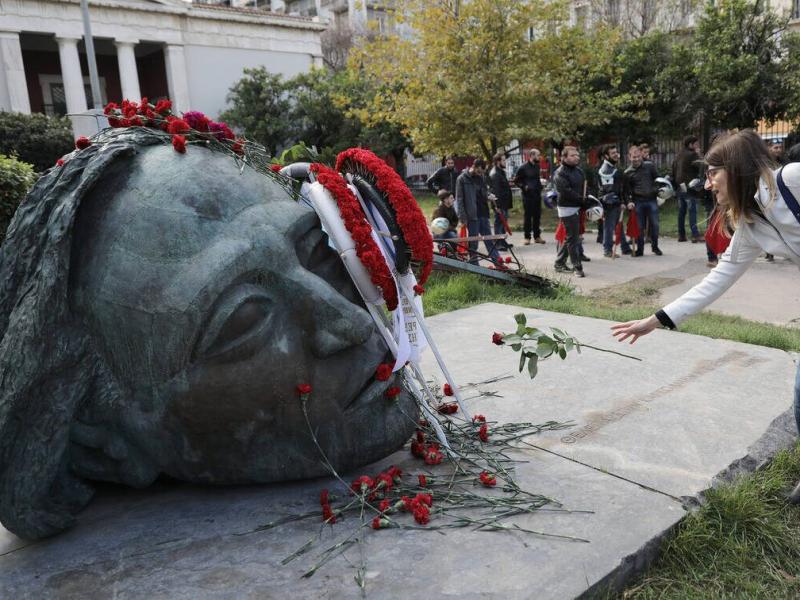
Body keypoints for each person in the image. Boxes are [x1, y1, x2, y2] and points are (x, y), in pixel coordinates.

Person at [610, 130, 800, 500]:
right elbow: (720, 277)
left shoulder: (791, 181)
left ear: (737, 168)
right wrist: (658, 319)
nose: (708, 181)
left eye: (714, 171)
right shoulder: (751, 223)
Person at [455, 158, 502, 266]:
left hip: (483, 213)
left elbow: (484, 192)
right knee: (473, 244)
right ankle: (474, 267)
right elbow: (460, 200)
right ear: (474, 167)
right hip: (472, 216)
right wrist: (462, 218)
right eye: (479, 171)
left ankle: (499, 264)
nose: (481, 174)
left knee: (489, 241)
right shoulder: (462, 179)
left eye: (482, 172)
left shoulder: (481, 177)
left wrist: (489, 196)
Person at [553, 146, 586, 277]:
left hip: (578, 206)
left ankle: (559, 263)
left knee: (570, 238)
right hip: (567, 208)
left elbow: (584, 187)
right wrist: (581, 200)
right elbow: (566, 191)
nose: (576, 157)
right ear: (564, 157)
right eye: (572, 155)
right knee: (573, 239)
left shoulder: (579, 171)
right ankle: (577, 268)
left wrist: (587, 199)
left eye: (577, 155)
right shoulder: (560, 173)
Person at [623, 145, 662, 256]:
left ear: (641, 156)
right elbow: (626, 191)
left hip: (651, 200)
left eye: (638, 156)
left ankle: (655, 247)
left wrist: (656, 192)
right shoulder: (627, 172)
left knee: (655, 224)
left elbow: (658, 180)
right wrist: (628, 202)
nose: (636, 159)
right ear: (629, 157)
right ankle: (640, 249)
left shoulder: (650, 166)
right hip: (638, 201)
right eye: (634, 157)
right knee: (639, 227)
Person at [596, 144, 633, 258]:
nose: (616, 155)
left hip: (614, 202)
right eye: (613, 153)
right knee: (609, 227)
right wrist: (620, 201)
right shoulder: (606, 170)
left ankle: (625, 247)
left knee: (619, 224)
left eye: (616, 152)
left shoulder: (612, 168)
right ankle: (607, 250)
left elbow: (617, 187)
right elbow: (609, 190)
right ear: (606, 156)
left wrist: (621, 201)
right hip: (610, 203)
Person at [673, 135, 704, 243]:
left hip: (680, 187)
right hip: (690, 187)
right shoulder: (693, 155)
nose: (698, 145)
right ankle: (695, 235)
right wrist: (699, 154)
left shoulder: (678, 155)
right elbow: (702, 166)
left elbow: (673, 170)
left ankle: (681, 235)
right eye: (696, 144)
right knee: (692, 211)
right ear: (690, 144)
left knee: (681, 212)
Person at [513, 148, 545, 245]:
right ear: (531, 156)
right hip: (527, 196)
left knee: (537, 216)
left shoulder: (537, 167)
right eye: (537, 155)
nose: (539, 157)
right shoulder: (523, 167)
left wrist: (540, 186)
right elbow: (516, 180)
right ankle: (527, 237)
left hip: (537, 195)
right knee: (528, 216)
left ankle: (537, 236)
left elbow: (536, 179)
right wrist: (524, 187)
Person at [488, 152, 513, 250]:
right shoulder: (495, 174)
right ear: (498, 161)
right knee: (499, 222)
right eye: (503, 160)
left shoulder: (500, 171)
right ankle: (498, 243)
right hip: (499, 204)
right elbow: (496, 192)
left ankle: (502, 241)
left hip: (504, 203)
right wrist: (496, 206)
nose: (505, 162)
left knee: (503, 222)